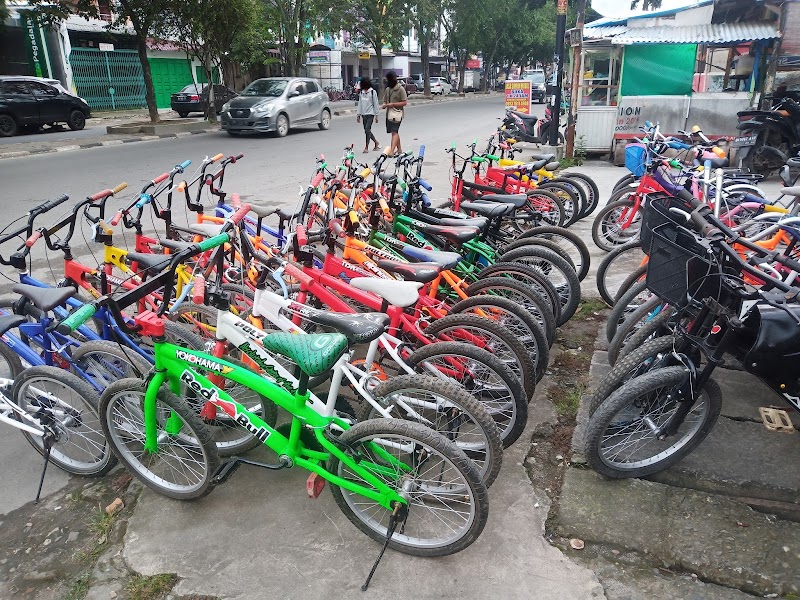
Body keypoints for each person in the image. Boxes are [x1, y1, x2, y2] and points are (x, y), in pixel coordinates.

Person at [381, 71, 408, 155]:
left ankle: (392, 151)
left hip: (397, 114)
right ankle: (399, 150)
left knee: (394, 132)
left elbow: (404, 102)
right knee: (394, 132)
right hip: (389, 114)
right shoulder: (388, 89)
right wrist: (385, 105)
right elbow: (385, 101)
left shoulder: (400, 89)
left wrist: (393, 104)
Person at [356, 77, 380, 152]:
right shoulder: (361, 93)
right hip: (363, 114)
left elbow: (376, 104)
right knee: (367, 130)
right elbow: (360, 104)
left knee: (367, 129)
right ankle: (376, 142)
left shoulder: (373, 92)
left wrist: (376, 115)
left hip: (371, 114)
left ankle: (366, 147)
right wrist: (358, 115)